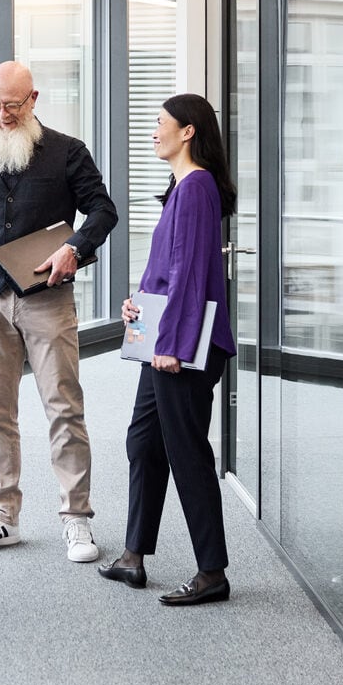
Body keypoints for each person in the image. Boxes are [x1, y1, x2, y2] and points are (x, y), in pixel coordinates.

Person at [0, 61, 119, 563]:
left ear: (33, 99)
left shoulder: (67, 152)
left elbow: (104, 210)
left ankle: (76, 519)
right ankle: (3, 515)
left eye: (11, 105)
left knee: (64, 407)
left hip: (47, 295)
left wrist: (74, 249)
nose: (0, 115)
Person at [98, 93, 237, 605]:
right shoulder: (182, 188)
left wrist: (172, 343)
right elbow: (169, 267)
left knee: (187, 453)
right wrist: (138, 304)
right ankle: (134, 554)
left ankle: (212, 572)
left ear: (188, 132)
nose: (154, 132)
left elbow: (192, 273)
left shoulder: (197, 187)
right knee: (144, 442)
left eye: (161, 124)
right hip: (161, 338)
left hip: (181, 348)